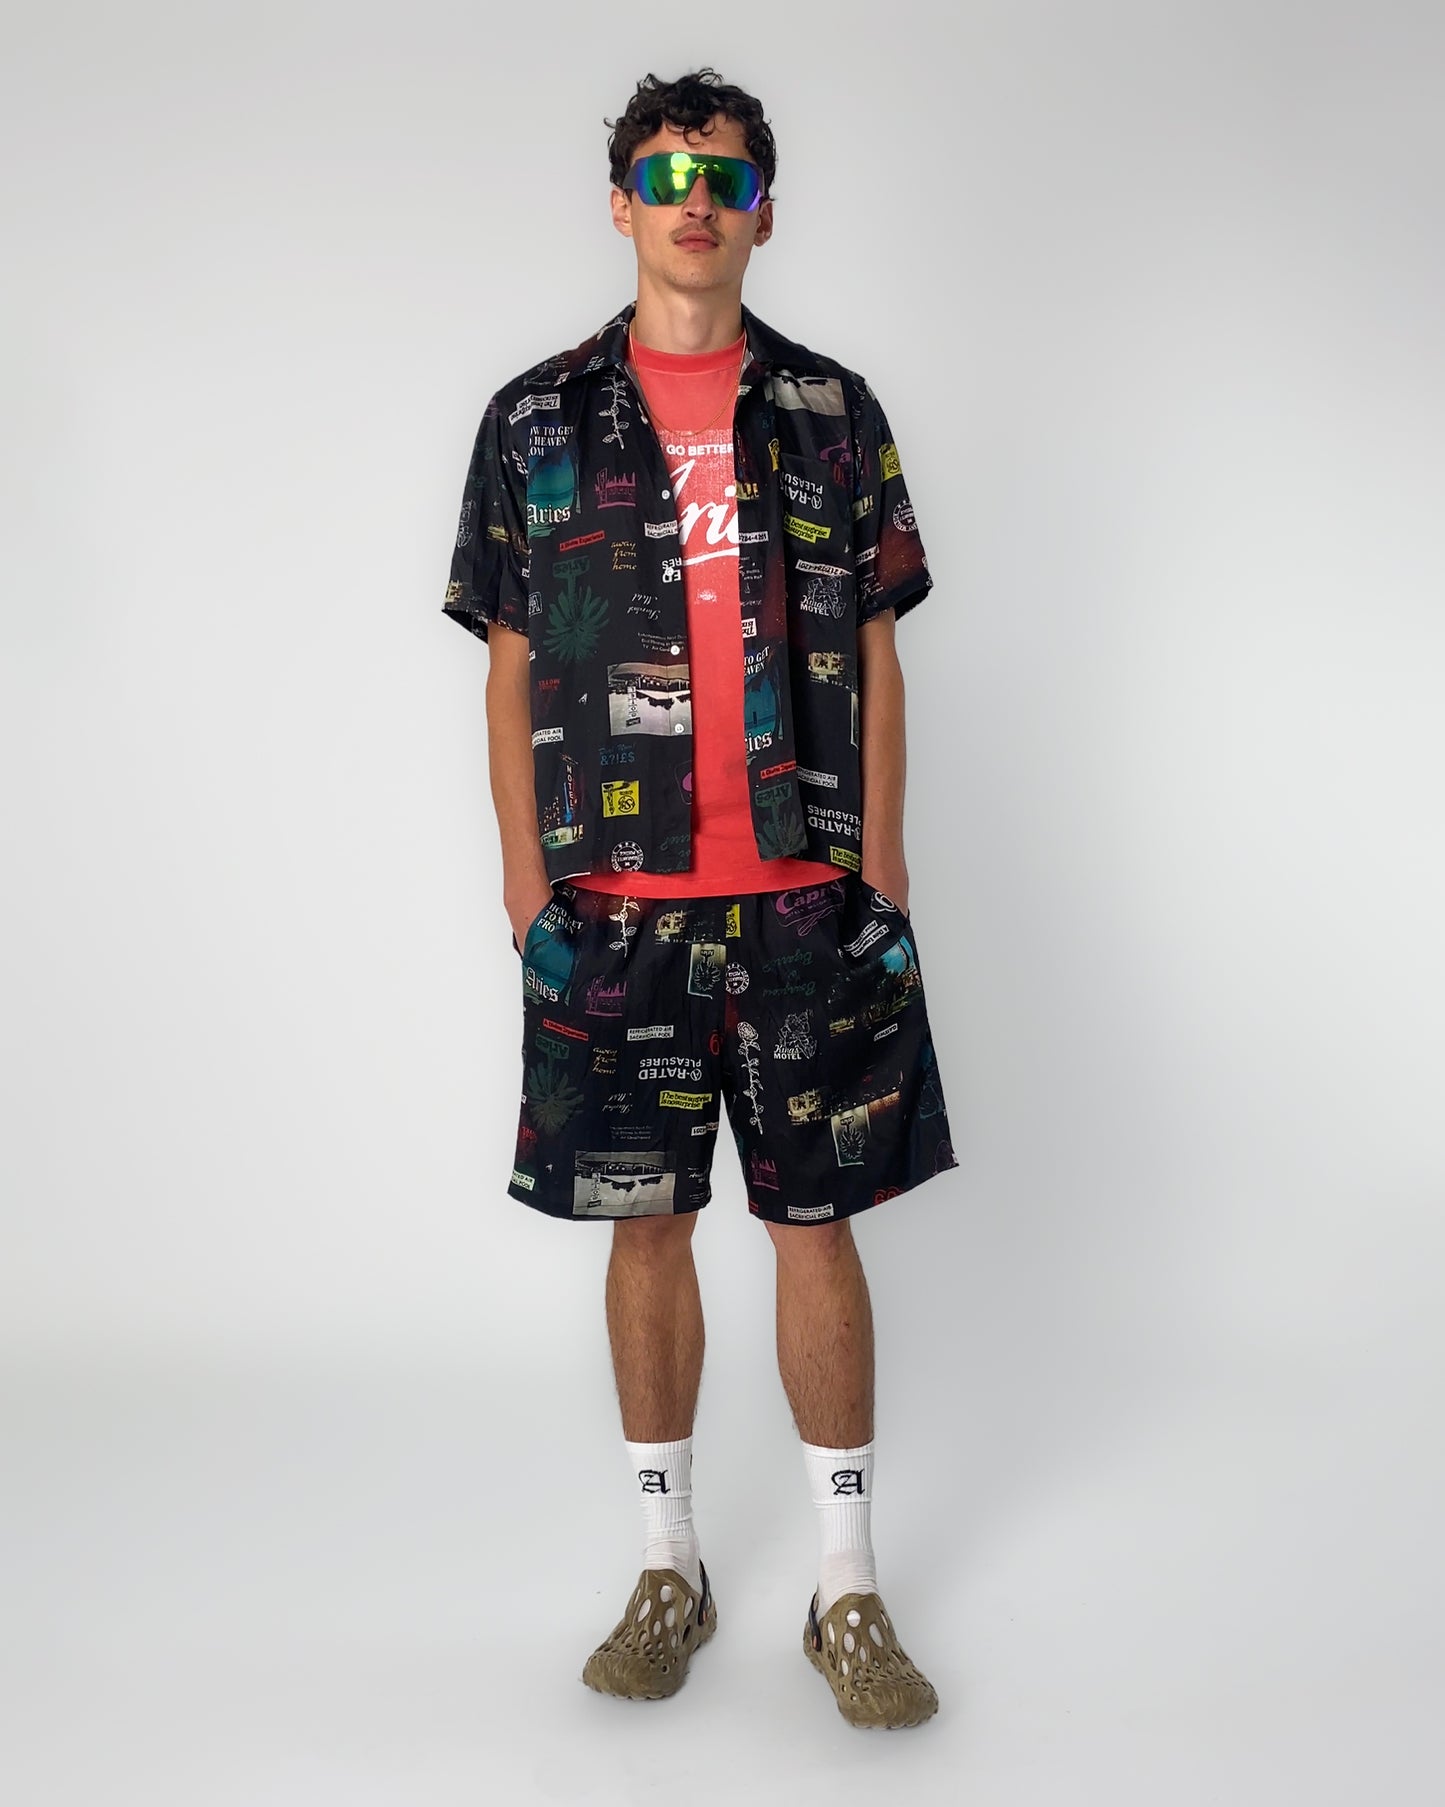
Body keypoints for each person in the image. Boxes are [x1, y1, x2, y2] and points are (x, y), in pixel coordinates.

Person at [442, 67, 958, 1730]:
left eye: (721, 179)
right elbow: (508, 659)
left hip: (804, 897)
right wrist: (527, 889)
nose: (691, 201)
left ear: (761, 213)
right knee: (643, 1224)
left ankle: (845, 1585)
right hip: (615, 908)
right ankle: (667, 1563)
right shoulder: (534, 421)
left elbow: (875, 645)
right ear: (619, 203)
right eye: (662, 175)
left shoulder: (829, 410)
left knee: (816, 1228)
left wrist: (879, 867)